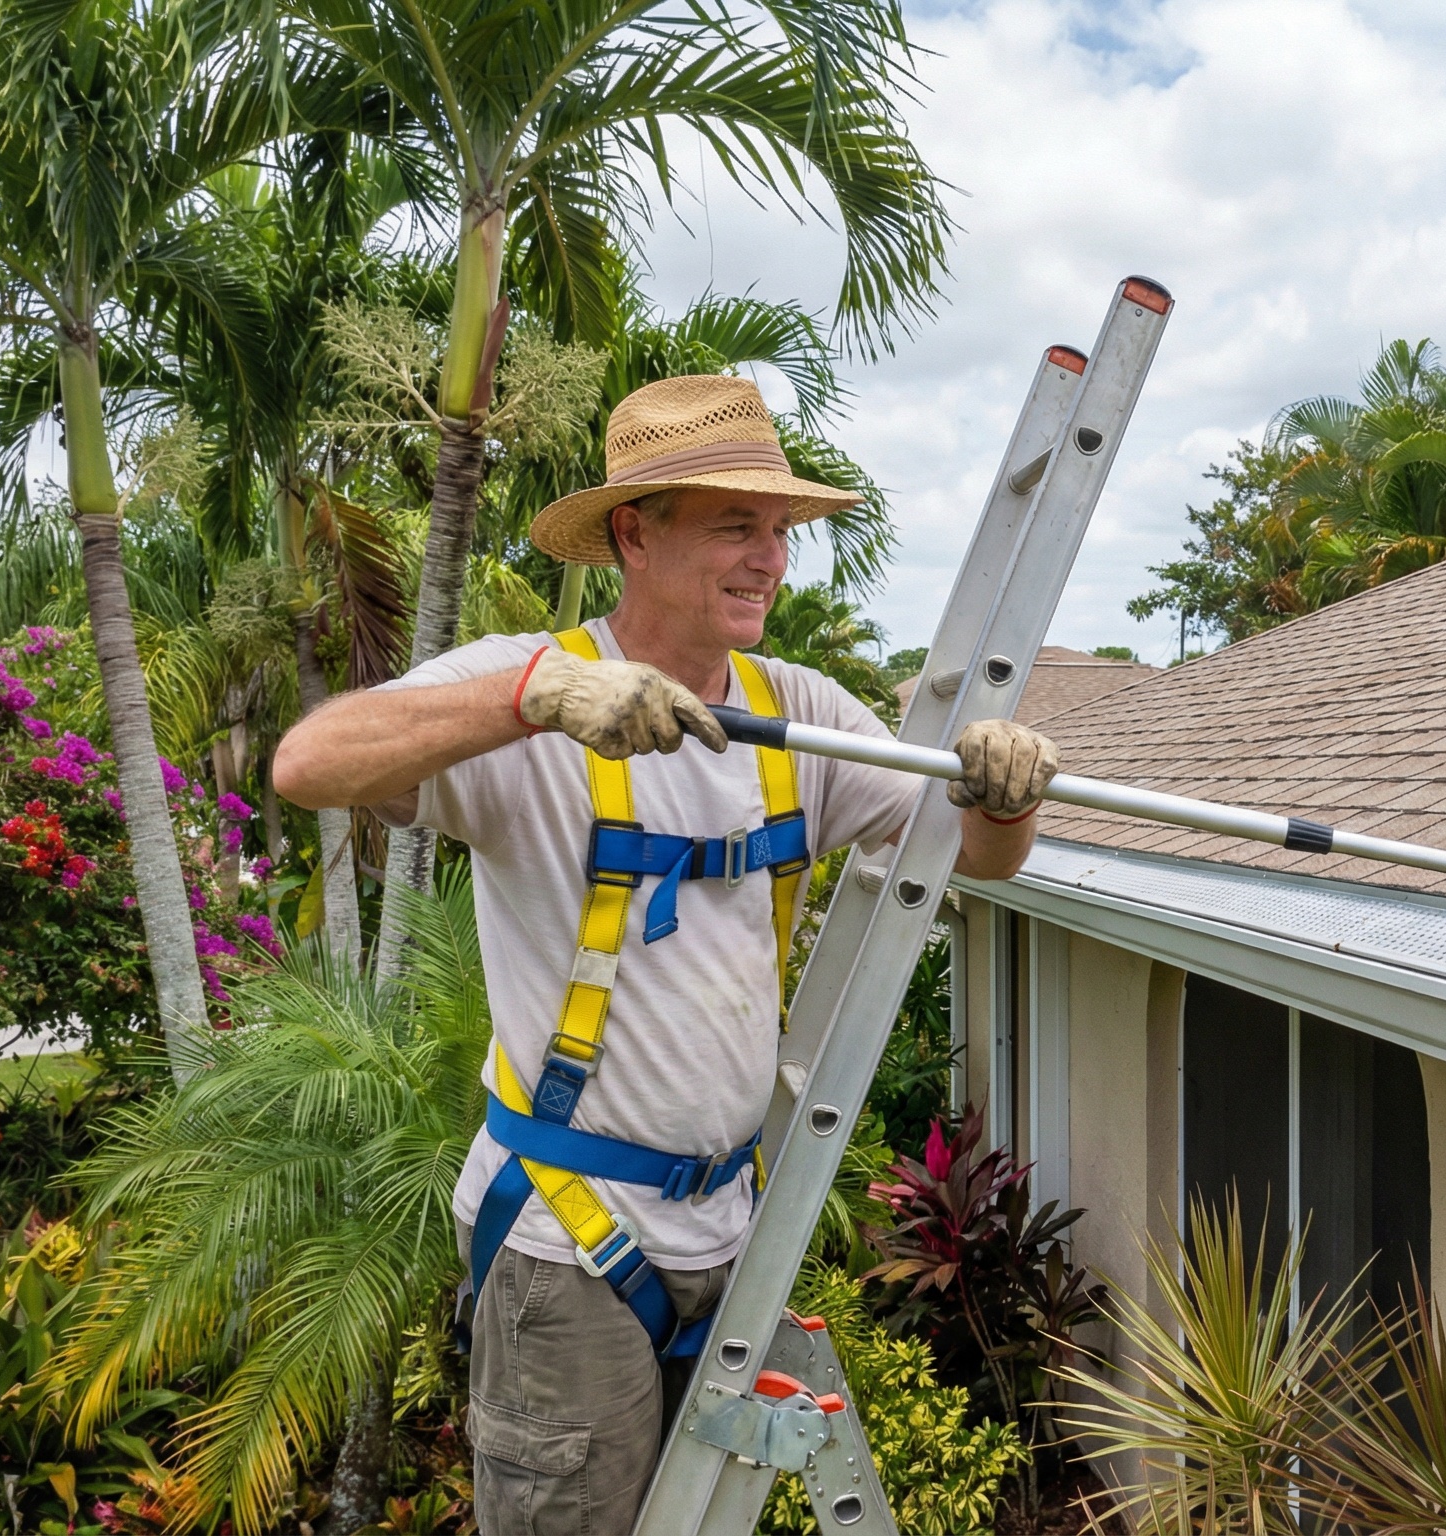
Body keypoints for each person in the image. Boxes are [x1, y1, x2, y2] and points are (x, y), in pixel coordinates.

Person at [275, 374, 1057, 1536]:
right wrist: (536, 697)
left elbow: (974, 860)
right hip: (567, 1238)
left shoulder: (796, 714)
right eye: (735, 525)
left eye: (779, 530)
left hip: (734, 1235)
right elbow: (309, 763)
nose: (770, 559)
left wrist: (1003, 797)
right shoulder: (528, 690)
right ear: (633, 535)